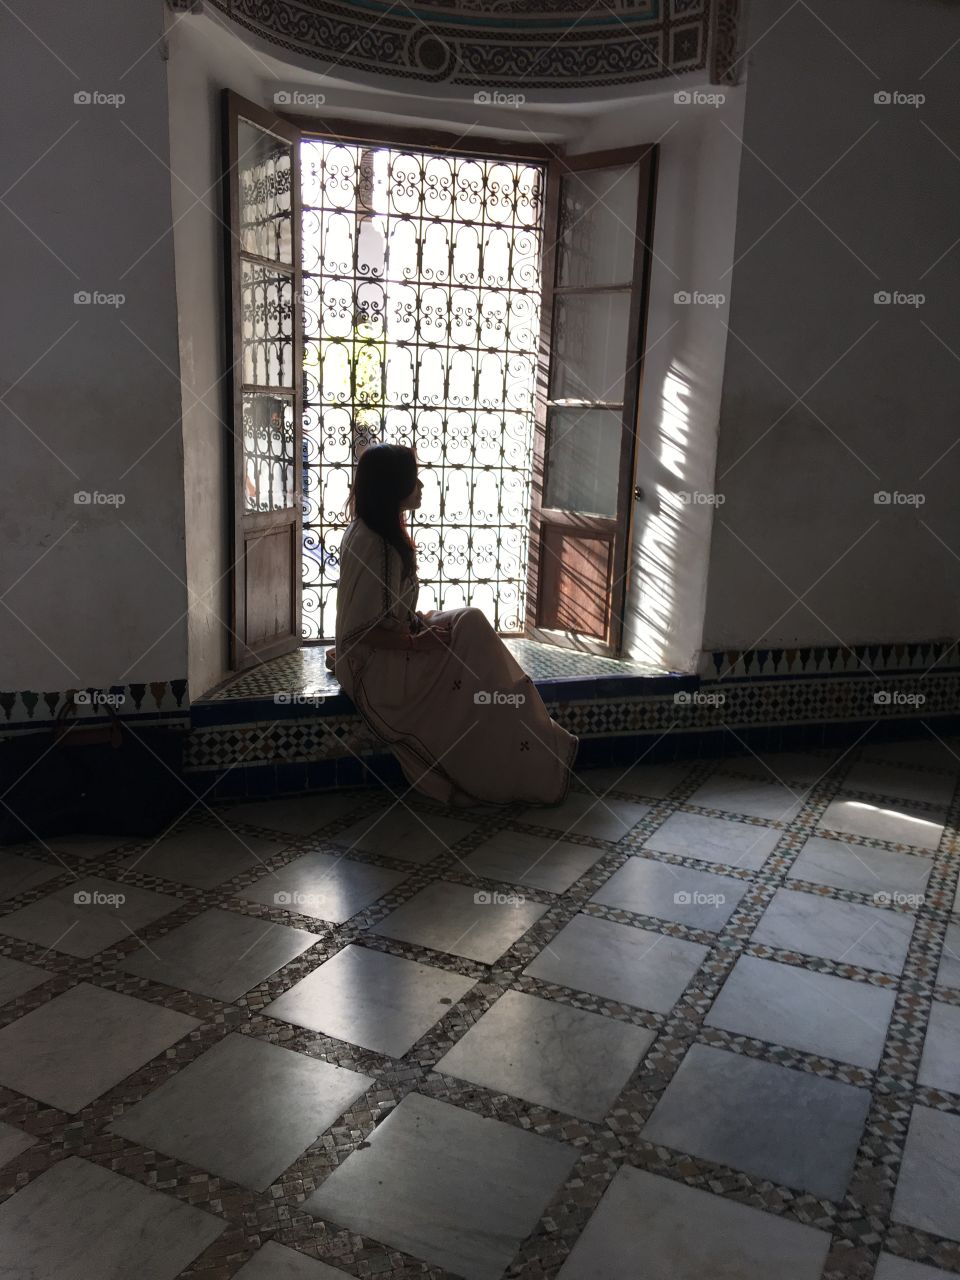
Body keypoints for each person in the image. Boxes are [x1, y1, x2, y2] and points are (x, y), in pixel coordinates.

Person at [329, 442, 578, 806]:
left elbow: (389, 611)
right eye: (414, 479)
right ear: (392, 486)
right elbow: (363, 630)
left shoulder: (374, 532)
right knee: (472, 652)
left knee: (470, 624)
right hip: (375, 667)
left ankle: (530, 740)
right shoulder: (375, 545)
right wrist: (418, 642)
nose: (422, 487)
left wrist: (419, 628)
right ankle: (524, 755)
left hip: (396, 642)